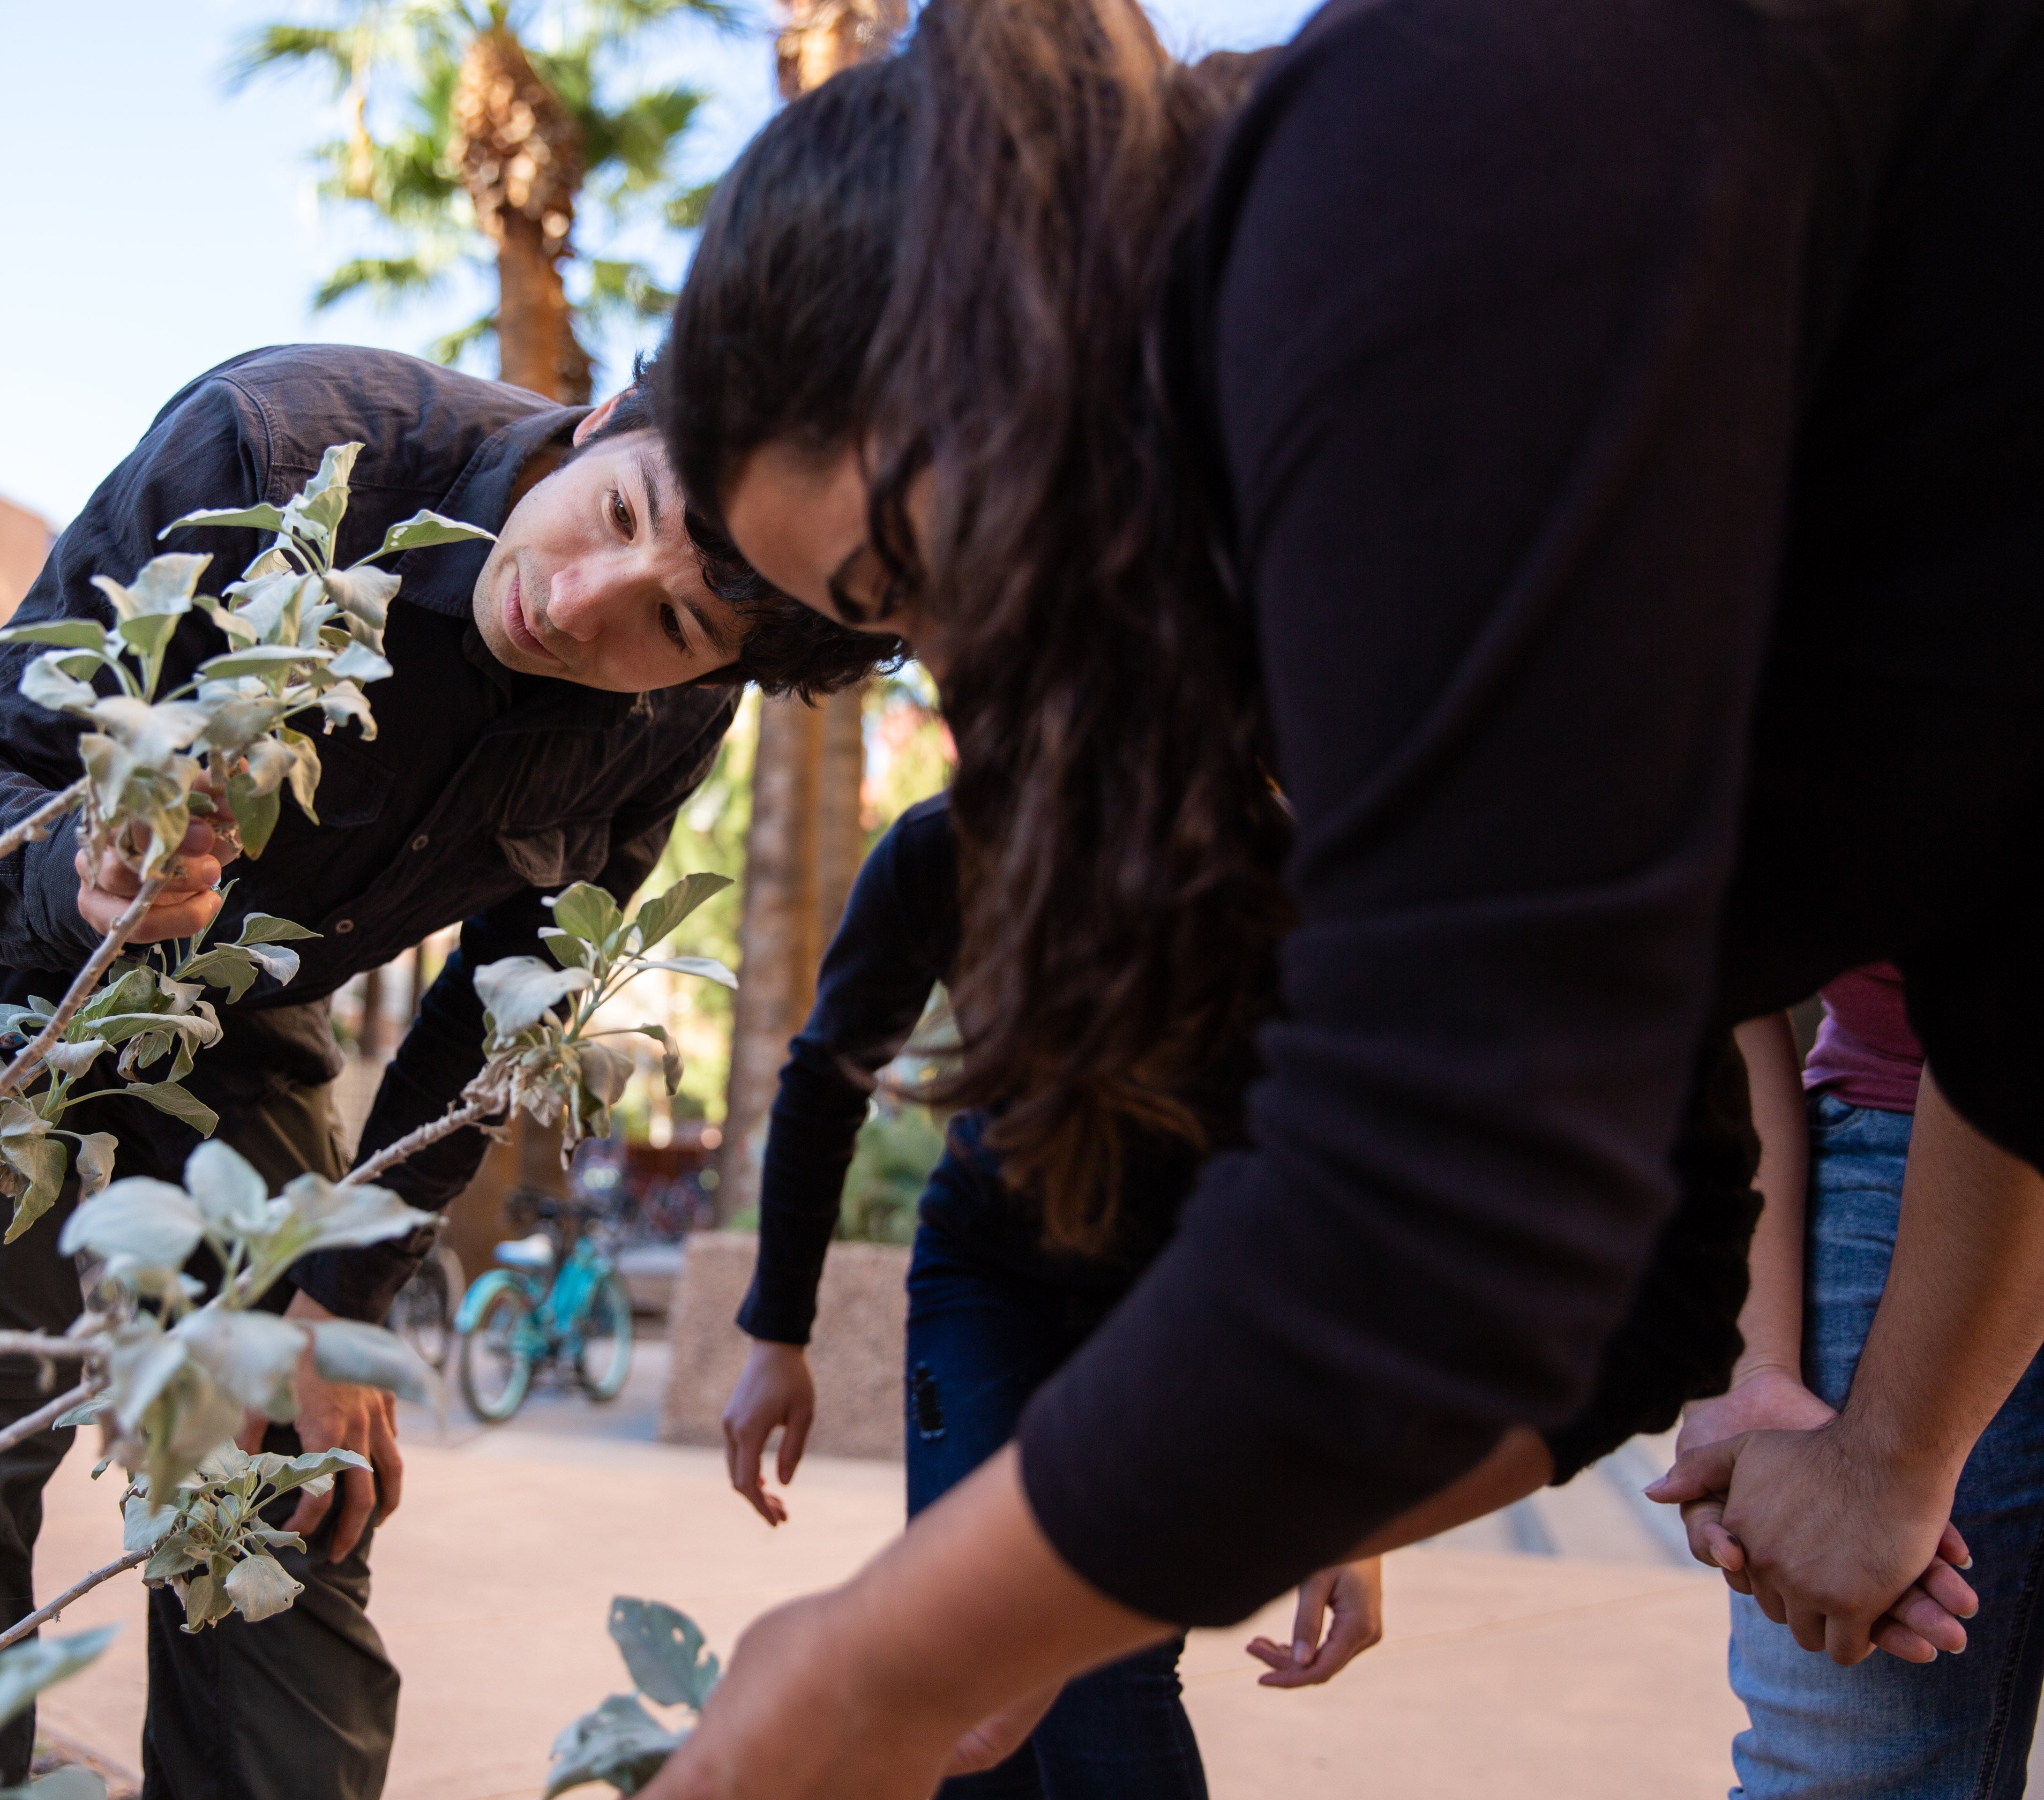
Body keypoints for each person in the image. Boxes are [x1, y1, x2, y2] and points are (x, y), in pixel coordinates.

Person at [636, 0, 2044, 1788]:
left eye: (915, 563)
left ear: (994, 282)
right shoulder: (1353, 625)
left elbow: (1443, 1212)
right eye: (893, 623)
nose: (959, 662)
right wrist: (1024, 1630)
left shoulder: (1402, 172)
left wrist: (874, 1670)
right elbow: (1643, 1296)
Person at [0, 343, 895, 1799]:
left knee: (292, 1498)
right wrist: (80, 861)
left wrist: (337, 1303)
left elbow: (504, 1009)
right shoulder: (269, 451)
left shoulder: (678, 710)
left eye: (676, 623)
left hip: (241, 1024)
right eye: (624, 515)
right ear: (603, 421)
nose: (583, 609)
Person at [723, 792, 1380, 1799]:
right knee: (964, 1657)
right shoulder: (942, 848)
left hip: (1182, 1304)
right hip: (989, 1275)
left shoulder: (1284, 863)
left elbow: (1346, 1180)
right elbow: (825, 1080)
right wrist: (779, 1332)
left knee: (1097, 1668)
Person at [1672, 977, 2044, 1798]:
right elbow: (1702, 950)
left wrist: (1892, 1454)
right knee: (1846, 1771)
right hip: (1898, 1125)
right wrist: (1749, 1361)